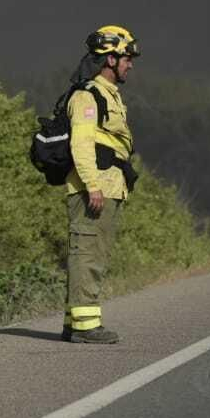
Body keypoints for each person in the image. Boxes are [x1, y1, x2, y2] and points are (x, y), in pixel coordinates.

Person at [61, 26, 140, 344]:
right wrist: (92, 185)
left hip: (109, 186)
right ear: (110, 59)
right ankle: (85, 327)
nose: (130, 64)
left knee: (94, 253)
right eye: (127, 58)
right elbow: (81, 144)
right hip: (94, 189)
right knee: (87, 255)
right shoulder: (88, 96)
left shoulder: (109, 95)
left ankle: (75, 323)